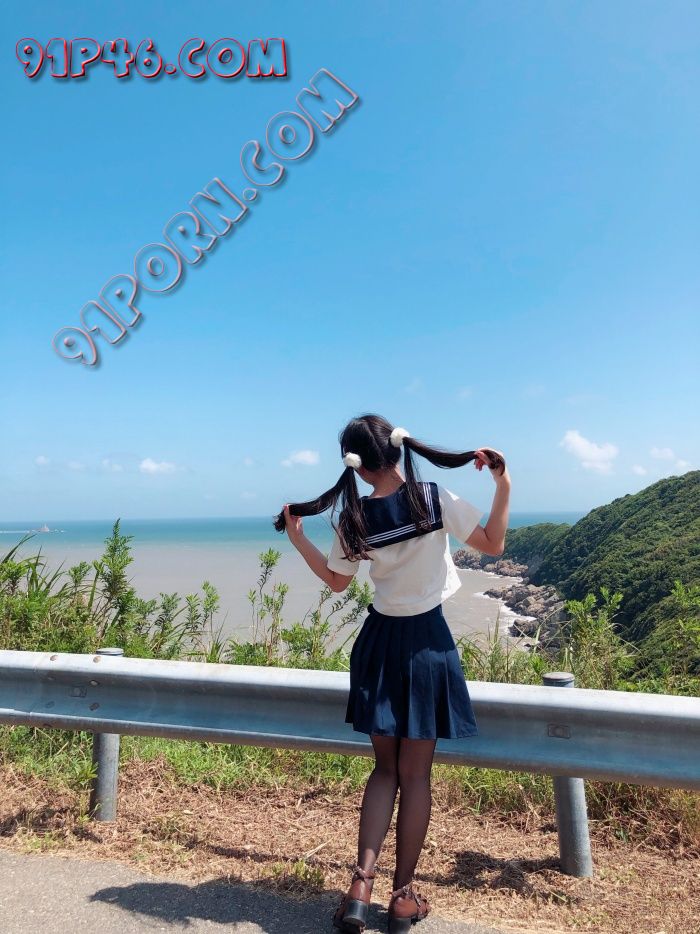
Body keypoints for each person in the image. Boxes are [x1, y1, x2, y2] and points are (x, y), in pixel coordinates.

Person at [274, 414, 510, 933]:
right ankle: (402, 898)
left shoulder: (354, 516)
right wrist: (503, 484)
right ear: (398, 450)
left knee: (384, 771)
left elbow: (337, 581)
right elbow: (493, 543)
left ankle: (361, 888)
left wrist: (298, 539)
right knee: (415, 775)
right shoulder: (432, 498)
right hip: (427, 645)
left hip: (378, 644)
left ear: (357, 468)